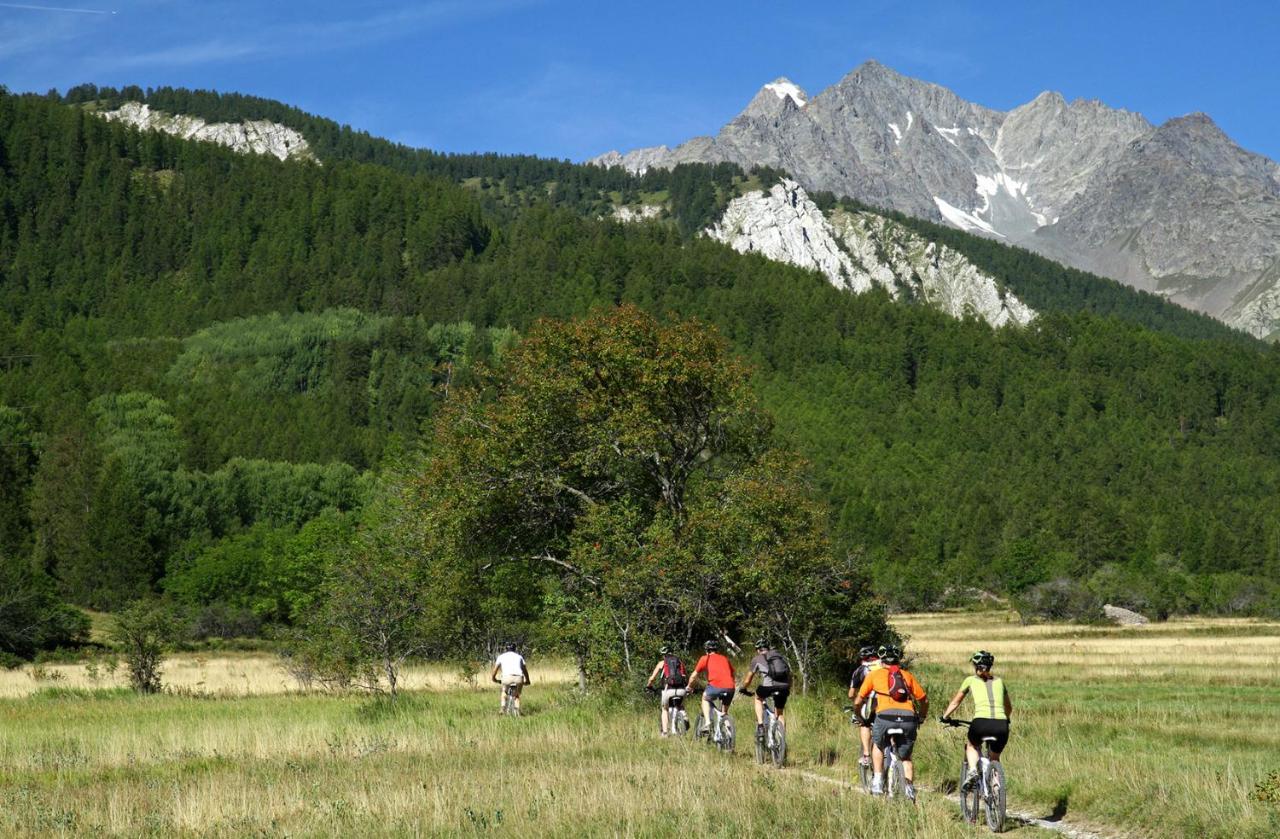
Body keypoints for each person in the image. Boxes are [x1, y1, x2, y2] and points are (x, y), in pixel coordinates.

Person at [854, 644, 928, 800]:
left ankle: (877, 780)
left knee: (878, 745)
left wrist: (859, 716)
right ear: (898, 660)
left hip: (885, 717)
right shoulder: (907, 675)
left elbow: (858, 700)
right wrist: (921, 717)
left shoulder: (874, 675)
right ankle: (909, 790)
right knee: (906, 758)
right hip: (908, 718)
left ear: (881, 660)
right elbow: (924, 700)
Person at [941, 650, 1013, 790]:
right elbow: (1009, 707)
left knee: (972, 745)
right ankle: (997, 789)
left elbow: (955, 703)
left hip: (980, 723)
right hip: (1001, 725)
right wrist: (1006, 719)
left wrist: (945, 717)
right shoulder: (1000, 681)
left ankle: (973, 770)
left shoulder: (970, 680)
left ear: (975, 666)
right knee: (994, 758)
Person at [740, 638, 791, 743]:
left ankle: (760, 725)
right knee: (780, 713)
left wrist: (744, 688)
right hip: (784, 687)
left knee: (758, 698)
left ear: (758, 649)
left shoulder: (757, 659)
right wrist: (788, 687)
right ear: (768, 647)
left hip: (769, 687)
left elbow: (748, 679)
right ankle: (782, 741)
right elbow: (790, 675)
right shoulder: (780, 656)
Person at [688, 639, 736, 735]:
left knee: (705, 697)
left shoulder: (705, 658)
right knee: (724, 713)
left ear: (706, 650)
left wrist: (689, 686)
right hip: (730, 687)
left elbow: (694, 676)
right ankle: (728, 732)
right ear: (716, 650)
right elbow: (733, 673)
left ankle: (707, 723)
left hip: (716, 686)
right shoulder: (724, 658)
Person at [848, 645, 883, 771]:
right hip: (889, 703)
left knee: (865, 723)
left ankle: (867, 755)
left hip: (871, 702)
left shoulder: (860, 670)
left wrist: (859, 702)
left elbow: (851, 694)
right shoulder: (885, 667)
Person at [644, 646, 689, 736]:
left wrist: (648, 686)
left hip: (669, 690)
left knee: (665, 709)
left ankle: (664, 733)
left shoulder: (662, 663)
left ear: (663, 655)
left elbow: (652, 678)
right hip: (681, 690)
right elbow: (685, 676)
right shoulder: (680, 662)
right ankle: (683, 714)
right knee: (680, 706)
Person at [490, 642, 530, 713]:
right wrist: (527, 680)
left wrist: (494, 678)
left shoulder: (501, 656)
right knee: (517, 695)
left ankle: (502, 707)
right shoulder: (519, 657)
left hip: (506, 678)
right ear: (515, 649)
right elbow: (524, 670)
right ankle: (517, 710)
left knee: (504, 691)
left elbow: (495, 670)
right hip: (518, 678)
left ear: (506, 649)